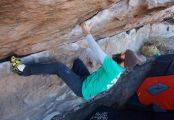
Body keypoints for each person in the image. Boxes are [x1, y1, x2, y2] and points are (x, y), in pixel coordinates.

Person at [10, 23, 140, 100]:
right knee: (77, 62)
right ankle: (68, 77)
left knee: (59, 67)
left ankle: (22, 70)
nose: (121, 52)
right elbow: (96, 57)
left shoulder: (113, 67)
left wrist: (87, 33)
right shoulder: (118, 69)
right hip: (86, 80)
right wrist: (82, 47)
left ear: (124, 59)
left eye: (123, 53)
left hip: (82, 89)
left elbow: (97, 51)